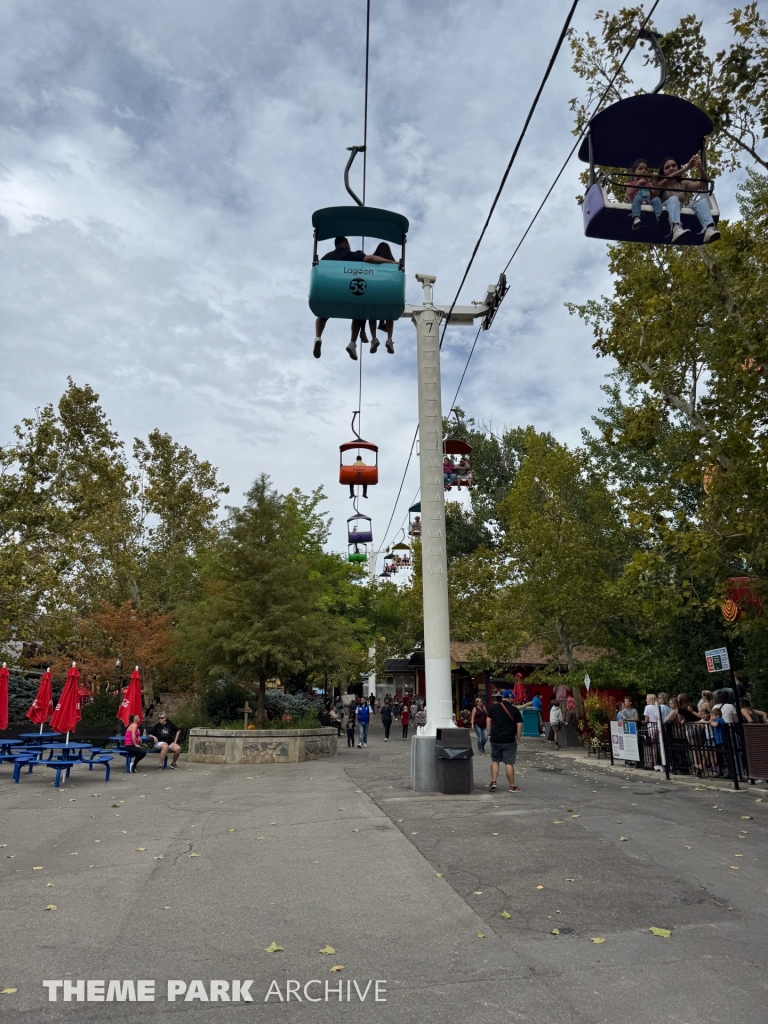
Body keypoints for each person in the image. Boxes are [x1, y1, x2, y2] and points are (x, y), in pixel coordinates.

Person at [312, 236, 398, 360]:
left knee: (322, 315)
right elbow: (370, 258)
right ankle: (354, 341)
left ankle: (318, 337)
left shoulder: (326, 257)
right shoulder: (349, 255)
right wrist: (391, 262)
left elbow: (319, 270)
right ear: (346, 244)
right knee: (359, 313)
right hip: (345, 290)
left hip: (329, 291)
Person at [656, 154, 720, 244]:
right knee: (674, 198)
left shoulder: (683, 183)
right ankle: (675, 228)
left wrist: (700, 168)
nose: (671, 168)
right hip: (665, 211)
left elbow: (702, 185)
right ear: (663, 172)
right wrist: (686, 168)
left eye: (674, 166)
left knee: (701, 201)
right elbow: (656, 187)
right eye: (667, 167)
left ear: (678, 167)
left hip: (680, 208)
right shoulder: (660, 183)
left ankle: (709, 229)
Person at [487, 690, 523, 792]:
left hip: (495, 739)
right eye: (513, 697)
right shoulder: (514, 710)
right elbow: (519, 724)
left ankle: (493, 781)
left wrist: (489, 733)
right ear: (510, 698)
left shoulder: (493, 708)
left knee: (495, 760)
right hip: (509, 739)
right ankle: (511, 786)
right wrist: (518, 738)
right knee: (508, 762)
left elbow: (488, 720)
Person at [365, 243, 397, 355]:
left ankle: (374, 338)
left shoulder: (372, 261)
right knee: (389, 315)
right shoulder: (393, 264)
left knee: (372, 315)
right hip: (387, 292)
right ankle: (389, 339)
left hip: (373, 290)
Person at [626, 157, 664, 230]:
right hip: (636, 204)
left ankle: (660, 218)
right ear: (634, 172)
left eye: (645, 169)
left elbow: (655, 193)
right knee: (638, 198)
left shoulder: (648, 184)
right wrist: (638, 183)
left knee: (656, 199)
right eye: (640, 169)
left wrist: (655, 180)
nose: (644, 170)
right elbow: (629, 193)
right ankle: (636, 220)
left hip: (648, 203)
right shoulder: (631, 183)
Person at [643, 694, 663, 771]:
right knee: (659, 746)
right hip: (658, 727)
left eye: (647, 698)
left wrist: (644, 722)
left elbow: (646, 719)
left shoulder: (647, 707)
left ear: (650, 699)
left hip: (651, 727)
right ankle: (662, 763)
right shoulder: (658, 706)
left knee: (654, 746)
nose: (646, 700)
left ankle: (655, 763)